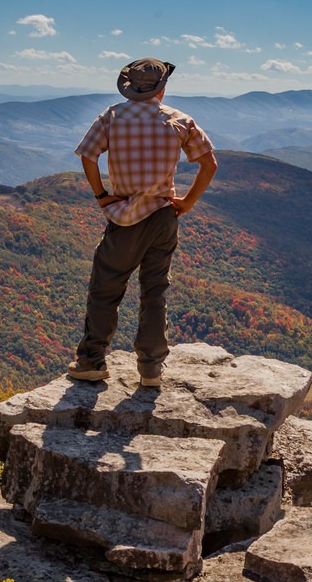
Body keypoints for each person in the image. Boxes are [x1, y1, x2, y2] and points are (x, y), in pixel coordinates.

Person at [66, 57, 218, 388]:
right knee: (155, 290)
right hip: (164, 216)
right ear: (162, 88)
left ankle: (91, 361)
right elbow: (209, 164)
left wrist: (101, 195)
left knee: (106, 288)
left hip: (124, 217)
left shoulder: (112, 117)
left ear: (130, 88)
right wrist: (188, 202)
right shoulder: (179, 121)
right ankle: (151, 370)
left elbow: (87, 155)